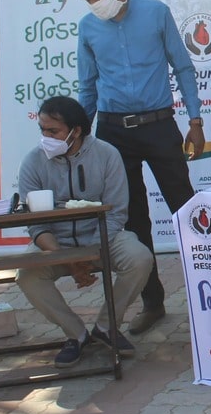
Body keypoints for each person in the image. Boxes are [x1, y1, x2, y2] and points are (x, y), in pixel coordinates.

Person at [75, 0, 205, 335]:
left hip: (160, 125)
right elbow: (87, 87)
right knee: (133, 220)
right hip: (113, 131)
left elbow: (182, 67)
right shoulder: (88, 28)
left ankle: (208, 293)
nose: (95, 4)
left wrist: (195, 121)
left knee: (185, 208)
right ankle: (153, 302)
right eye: (87, 0)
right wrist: (80, 137)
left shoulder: (155, 13)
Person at [15, 96, 153, 366]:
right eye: (42, 130)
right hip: (57, 244)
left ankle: (106, 326)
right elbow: (36, 223)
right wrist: (67, 258)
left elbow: (116, 214)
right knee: (27, 276)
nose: (46, 137)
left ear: (76, 130)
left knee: (140, 258)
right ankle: (76, 335)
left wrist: (89, 255)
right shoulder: (32, 161)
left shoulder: (106, 154)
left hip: (103, 238)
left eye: (53, 131)